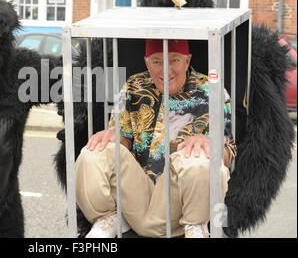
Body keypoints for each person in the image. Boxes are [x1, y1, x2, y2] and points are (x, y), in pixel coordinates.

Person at [75, 39, 237, 238]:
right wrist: (114, 136)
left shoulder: (213, 91)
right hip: (136, 196)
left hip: (178, 203)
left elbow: (229, 152)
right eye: (157, 62)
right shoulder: (133, 85)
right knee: (96, 150)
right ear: (146, 62)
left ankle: (196, 227)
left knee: (199, 157)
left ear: (187, 61)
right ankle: (107, 218)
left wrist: (213, 145)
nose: (166, 70)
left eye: (175, 60)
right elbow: (123, 139)